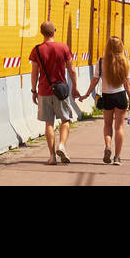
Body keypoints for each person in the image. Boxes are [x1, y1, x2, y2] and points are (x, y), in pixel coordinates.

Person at [30, 21, 79, 165]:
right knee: (65, 120)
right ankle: (62, 145)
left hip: (44, 91)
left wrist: (34, 90)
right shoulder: (63, 47)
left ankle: (52, 156)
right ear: (54, 32)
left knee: (49, 123)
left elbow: (34, 73)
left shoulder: (37, 50)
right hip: (61, 91)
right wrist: (74, 87)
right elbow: (72, 70)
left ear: (42, 33)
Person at [79, 35, 130, 164]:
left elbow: (95, 80)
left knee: (107, 125)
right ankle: (117, 157)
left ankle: (108, 146)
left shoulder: (101, 62)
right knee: (119, 127)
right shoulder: (125, 62)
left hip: (107, 96)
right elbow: (128, 85)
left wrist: (86, 94)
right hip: (120, 96)